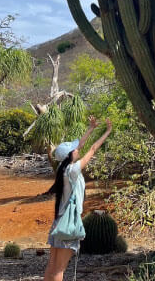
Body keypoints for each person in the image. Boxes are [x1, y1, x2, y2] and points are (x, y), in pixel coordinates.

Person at [43, 115, 112, 281]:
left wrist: (91, 128)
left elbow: (80, 145)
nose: (78, 149)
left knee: (52, 266)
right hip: (69, 224)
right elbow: (93, 149)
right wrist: (107, 131)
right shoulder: (73, 171)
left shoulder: (62, 167)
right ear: (70, 155)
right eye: (75, 149)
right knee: (59, 270)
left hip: (58, 222)